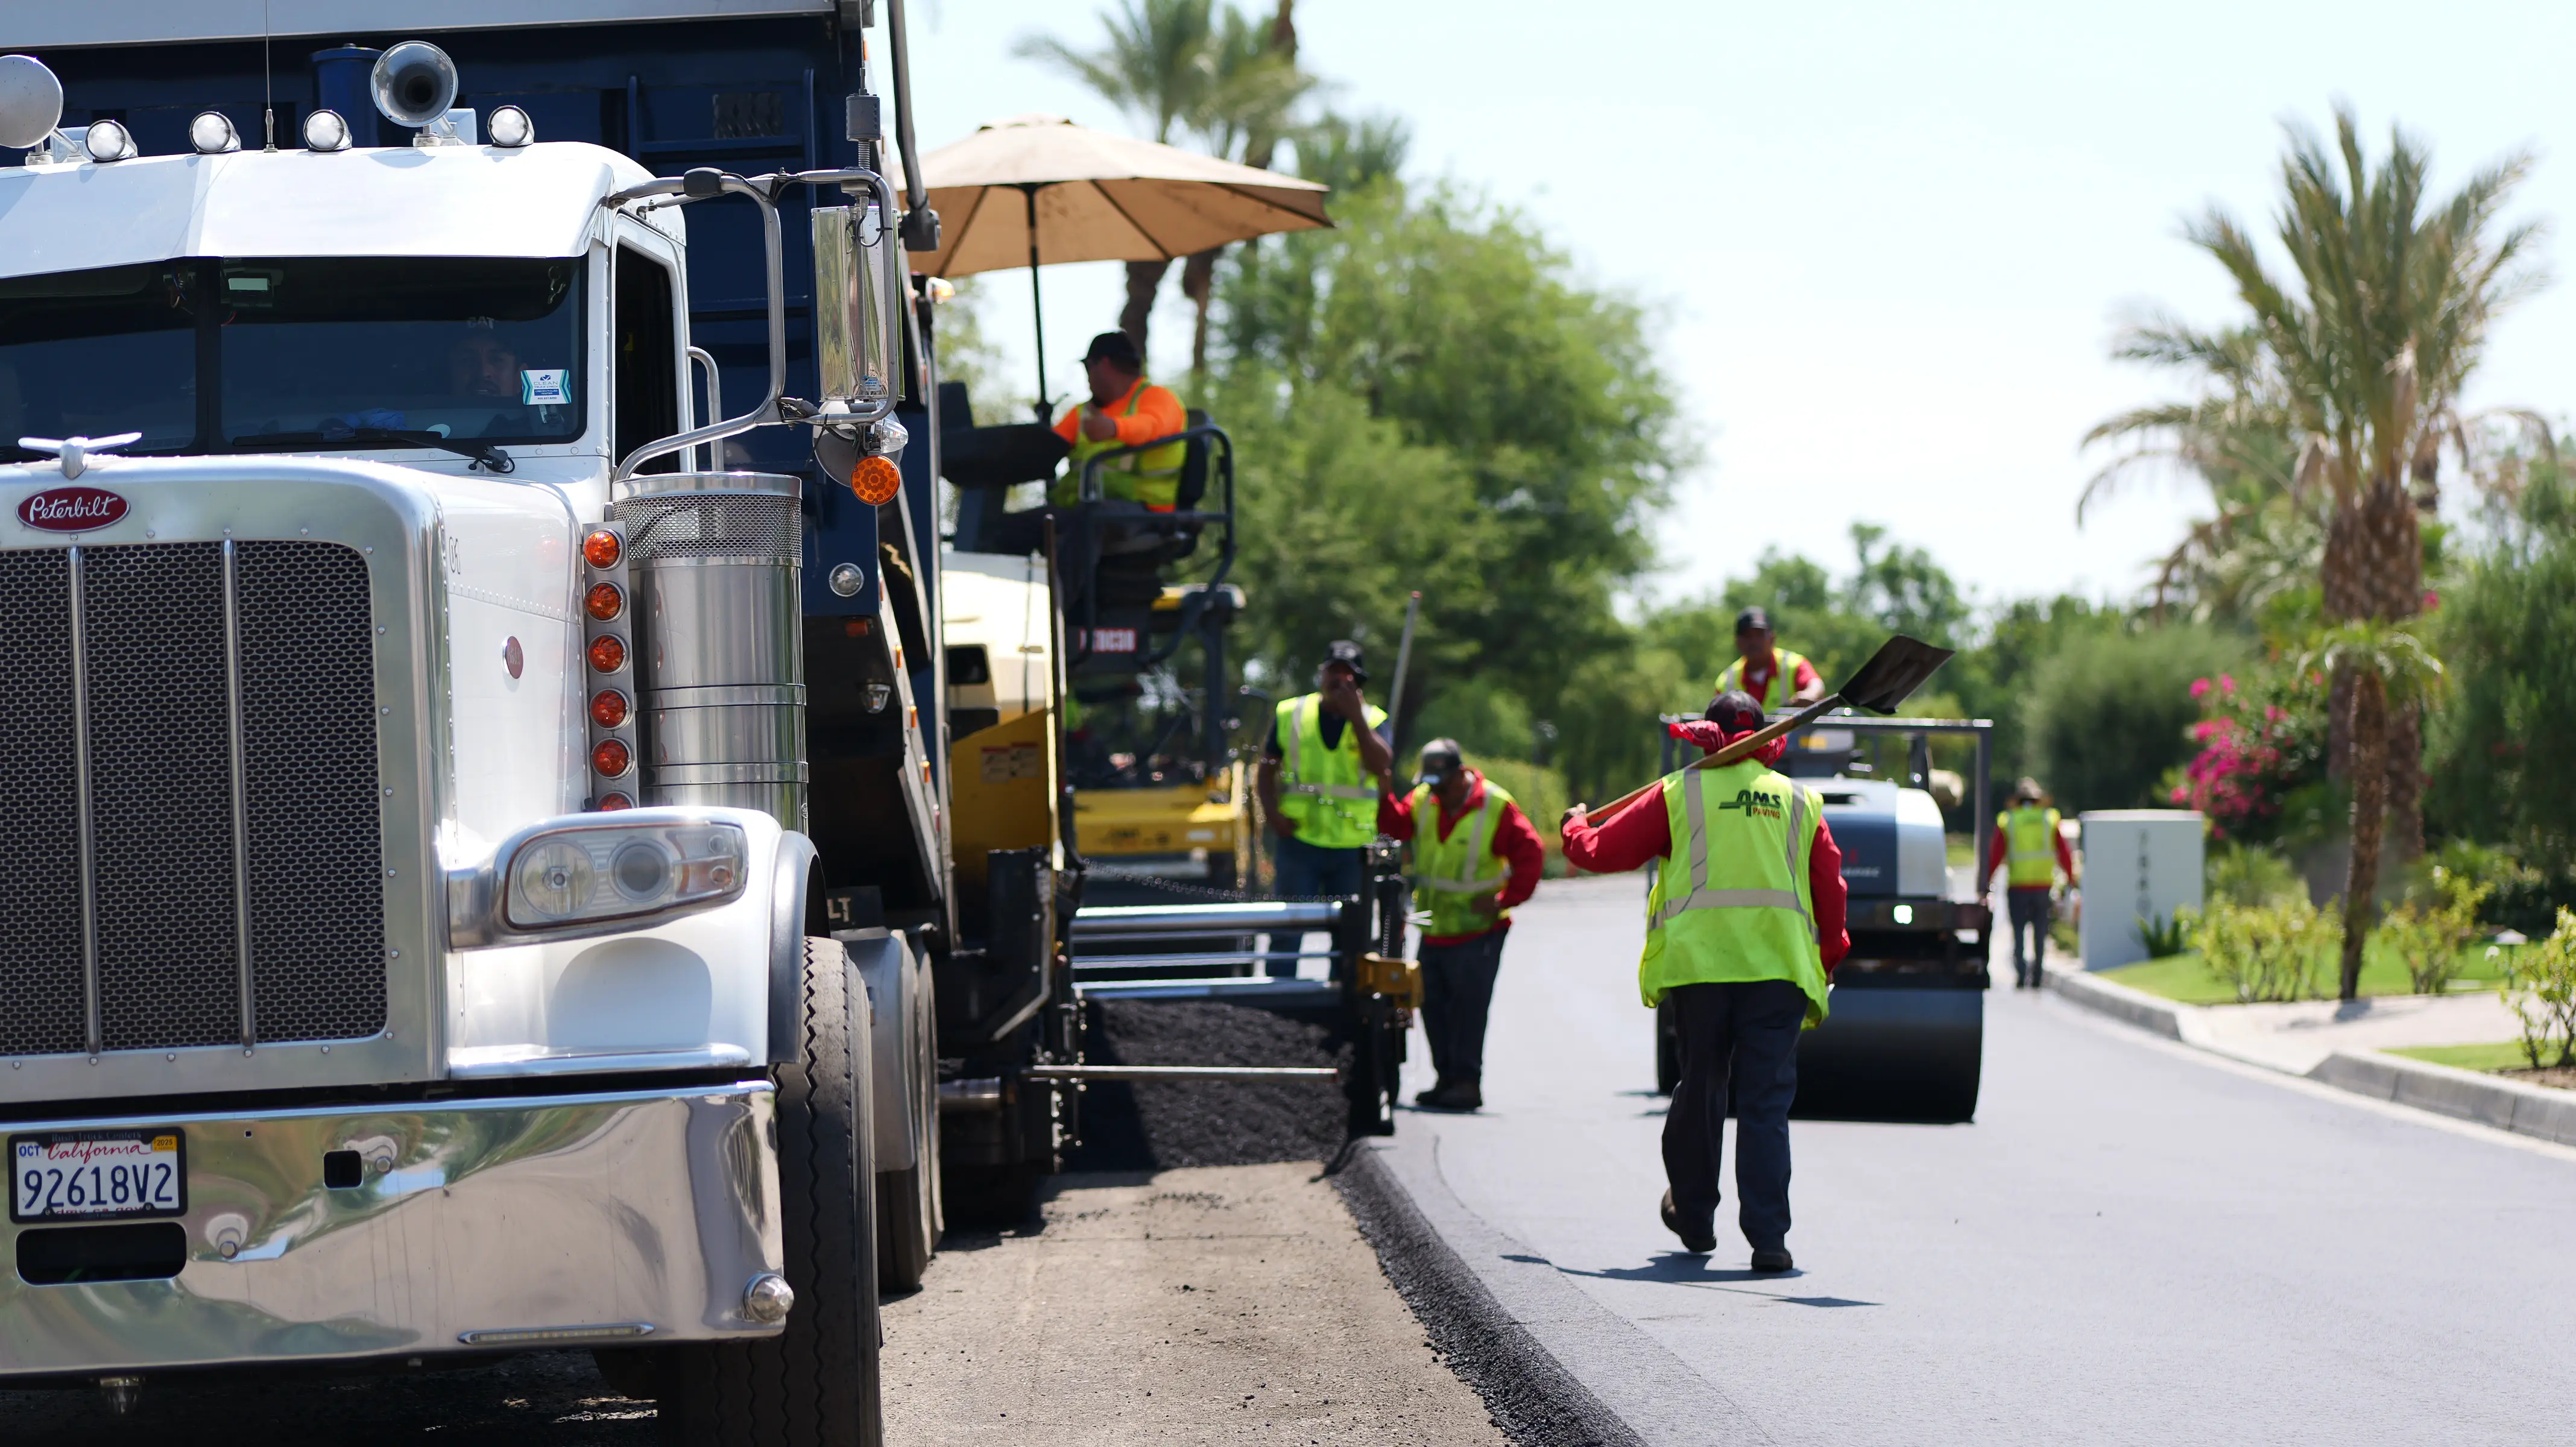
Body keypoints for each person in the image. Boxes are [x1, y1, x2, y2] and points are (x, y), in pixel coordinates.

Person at [1561, 689, 1849, 1272]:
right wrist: (1828, 958)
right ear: (1766, 738)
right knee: (1765, 1105)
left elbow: (1600, 852)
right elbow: (1832, 893)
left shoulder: (1680, 793)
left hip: (1703, 973)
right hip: (1779, 976)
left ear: (1710, 732)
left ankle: (1693, 1215)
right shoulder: (1800, 802)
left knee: (1703, 1090)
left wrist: (1572, 829)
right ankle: (1770, 1241)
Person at [1380, 738, 1545, 1112]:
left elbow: (1531, 854)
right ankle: (1447, 1080)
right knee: (1433, 1007)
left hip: (1479, 931)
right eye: (1431, 783)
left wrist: (1505, 900)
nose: (1435, 790)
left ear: (1460, 774)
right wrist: (1383, 787)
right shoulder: (1425, 799)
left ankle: (1468, 1083)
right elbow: (1395, 826)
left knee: (1468, 1009)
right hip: (1435, 928)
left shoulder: (1495, 805)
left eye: (1441, 783)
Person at [1255, 641, 1395, 977]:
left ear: (1359, 683)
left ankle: (1343, 1010)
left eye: (1348, 677)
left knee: (1350, 939)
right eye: (1333, 673)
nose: (1338, 683)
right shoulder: (1291, 713)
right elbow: (1266, 769)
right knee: (1288, 931)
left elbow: (1382, 765)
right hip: (1299, 843)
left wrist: (1357, 721)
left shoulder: (1374, 719)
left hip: (1352, 849)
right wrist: (1273, 815)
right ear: (1321, 674)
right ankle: (1280, 1005)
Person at [1987, 777, 2077, 988]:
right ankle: (2037, 976)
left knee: (2018, 931)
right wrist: (2071, 877)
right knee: (2040, 932)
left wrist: (1987, 880)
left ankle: (2020, 974)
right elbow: (2064, 852)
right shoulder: (2050, 818)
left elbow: (1996, 854)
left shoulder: (2008, 820)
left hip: (2018, 885)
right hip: (2042, 885)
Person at [1713, 606, 1825, 710]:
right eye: (1748, 636)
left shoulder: (1794, 664)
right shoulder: (1726, 681)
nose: (1754, 641)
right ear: (1738, 642)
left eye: (1760, 635)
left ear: (1772, 638)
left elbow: (1817, 686)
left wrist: (1808, 695)